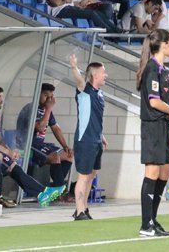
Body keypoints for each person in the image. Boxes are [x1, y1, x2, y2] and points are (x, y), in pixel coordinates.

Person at [137, 29, 169, 237]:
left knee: (164, 174)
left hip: (162, 126)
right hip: (152, 127)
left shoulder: (163, 71)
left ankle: (153, 220)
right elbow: (154, 102)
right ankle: (146, 224)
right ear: (163, 45)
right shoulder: (151, 69)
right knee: (152, 173)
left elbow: (164, 104)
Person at [0, 86, 57, 208]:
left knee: (14, 167)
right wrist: (6, 152)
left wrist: (10, 150)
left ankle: (43, 192)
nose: (1, 100)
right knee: (11, 166)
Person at [16, 83, 73, 203]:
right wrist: (49, 109)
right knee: (55, 157)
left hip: (40, 145)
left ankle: (57, 188)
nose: (49, 99)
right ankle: (61, 192)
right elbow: (40, 127)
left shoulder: (46, 110)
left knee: (69, 155)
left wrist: (65, 146)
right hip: (27, 145)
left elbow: (56, 128)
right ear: (38, 94)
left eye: (51, 96)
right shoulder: (30, 109)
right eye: (46, 95)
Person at [69, 55, 109, 221]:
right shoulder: (84, 91)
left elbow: (94, 117)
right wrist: (74, 67)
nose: (106, 75)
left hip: (96, 140)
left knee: (92, 175)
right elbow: (79, 80)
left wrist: (102, 135)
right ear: (95, 75)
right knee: (83, 176)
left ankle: (84, 208)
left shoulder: (99, 94)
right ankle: (78, 211)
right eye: (103, 72)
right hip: (85, 140)